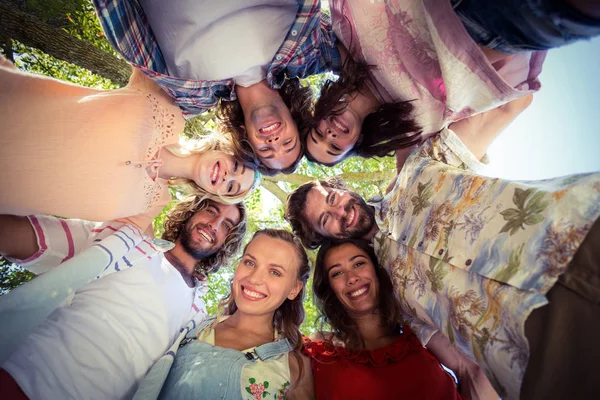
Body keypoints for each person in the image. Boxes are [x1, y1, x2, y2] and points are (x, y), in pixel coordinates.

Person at [286, 98, 600, 399]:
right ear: (325, 238)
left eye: (332, 199)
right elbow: (466, 368)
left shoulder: (418, 166)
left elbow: (509, 103)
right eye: (326, 219)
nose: (340, 211)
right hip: (535, 345)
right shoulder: (390, 297)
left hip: (578, 230)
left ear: (340, 188)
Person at [0, 196, 247, 400]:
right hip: (21, 380)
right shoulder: (124, 241)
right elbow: (15, 235)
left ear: (227, 241)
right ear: (191, 211)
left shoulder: (200, 316)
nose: (214, 224)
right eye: (211, 210)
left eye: (226, 225)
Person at [305, 0, 600, 166]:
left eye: (318, 134)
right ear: (354, 146)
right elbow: (410, 176)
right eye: (334, 147)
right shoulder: (407, 131)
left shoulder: (339, 49)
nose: (330, 135)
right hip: (494, 27)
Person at [0, 59, 259, 232]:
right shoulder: (167, 105)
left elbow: (120, 257)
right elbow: (153, 44)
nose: (227, 175)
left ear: (216, 195)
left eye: (231, 186)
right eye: (235, 165)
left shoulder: (146, 211)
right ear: (224, 149)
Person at [92, 0, 342, 174]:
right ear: (296, 119)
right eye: (287, 143)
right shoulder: (308, 54)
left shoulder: (190, 100)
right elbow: (367, 61)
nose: (274, 140)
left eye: (266, 149)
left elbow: (133, 143)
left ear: (247, 137)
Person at [305, 239, 497, 399]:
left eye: (359, 264)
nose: (352, 277)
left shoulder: (419, 331)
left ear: (378, 271)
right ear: (329, 288)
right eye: (337, 273)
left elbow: (472, 372)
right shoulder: (320, 348)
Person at [133, 229, 313, 400]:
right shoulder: (193, 326)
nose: (254, 279)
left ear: (294, 289)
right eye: (250, 262)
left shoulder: (294, 365)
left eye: (275, 272)